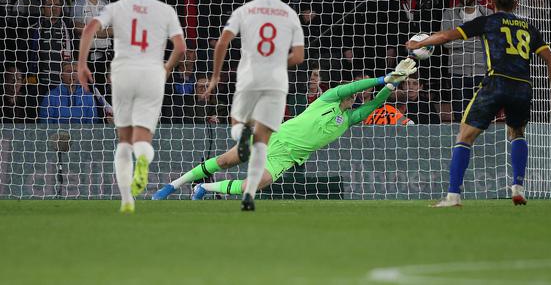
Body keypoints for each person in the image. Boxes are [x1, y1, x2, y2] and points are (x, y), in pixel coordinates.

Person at [152, 60, 417, 200]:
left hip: (286, 158)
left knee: (251, 188)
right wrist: (385, 77)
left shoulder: (347, 119)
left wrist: (392, 85)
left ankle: (205, 190)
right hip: (271, 137)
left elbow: (373, 103)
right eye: (354, 95)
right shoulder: (329, 98)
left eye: (357, 98)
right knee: (225, 160)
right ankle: (172, 186)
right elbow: (353, 89)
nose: (356, 98)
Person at [406, 0, 551, 207]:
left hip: (496, 82)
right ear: (516, 4)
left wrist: (419, 43)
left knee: (465, 136)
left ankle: (453, 197)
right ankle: (518, 188)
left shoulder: (488, 22)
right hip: (522, 87)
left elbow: (447, 36)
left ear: (491, 4)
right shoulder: (529, 28)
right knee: (517, 133)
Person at [169, 0, 304, 211]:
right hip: (275, 83)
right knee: (263, 142)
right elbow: (298, 57)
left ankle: (241, 135)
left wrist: (217, 76)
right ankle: (248, 198)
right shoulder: (290, 14)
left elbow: (221, 44)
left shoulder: (246, 10)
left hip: (249, 77)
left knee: (238, 127)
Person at [77, 0, 187, 214]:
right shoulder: (165, 10)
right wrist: (166, 69)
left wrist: (82, 64)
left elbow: (89, 28)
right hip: (151, 74)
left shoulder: (117, 7)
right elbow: (180, 47)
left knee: (124, 140)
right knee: (144, 134)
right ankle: (144, 160)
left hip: (123, 73)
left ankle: (127, 199)